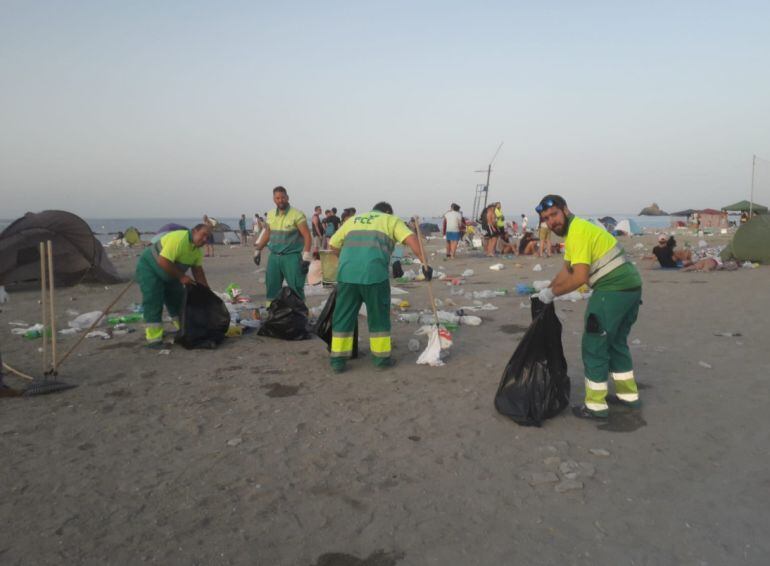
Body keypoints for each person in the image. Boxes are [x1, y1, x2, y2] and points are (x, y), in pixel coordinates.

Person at [534, 195, 642, 419]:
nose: (551, 221)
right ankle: (628, 396)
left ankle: (595, 406)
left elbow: (580, 278)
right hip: (631, 288)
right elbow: (567, 270)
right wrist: (547, 289)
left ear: (565, 209)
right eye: (546, 219)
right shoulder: (578, 229)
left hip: (612, 290)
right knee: (616, 343)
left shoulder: (578, 232)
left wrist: (552, 293)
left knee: (595, 344)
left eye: (554, 214)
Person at [328, 202, 433, 373]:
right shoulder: (390, 220)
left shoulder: (354, 220)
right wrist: (425, 264)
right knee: (378, 317)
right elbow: (412, 240)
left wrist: (349, 260)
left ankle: (338, 361)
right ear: (388, 212)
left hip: (347, 274)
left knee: (343, 316)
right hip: (374, 275)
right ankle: (381, 359)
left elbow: (332, 245)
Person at [135, 224, 211, 348]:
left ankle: (183, 329)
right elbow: (163, 261)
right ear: (194, 231)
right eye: (203, 235)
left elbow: (198, 271)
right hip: (150, 268)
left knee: (178, 300)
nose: (205, 240)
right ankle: (154, 339)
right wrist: (182, 277)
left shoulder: (197, 251)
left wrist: (206, 292)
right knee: (154, 301)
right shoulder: (179, 239)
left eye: (208, 237)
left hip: (171, 273)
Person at [253, 186, 312, 303]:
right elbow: (267, 234)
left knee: (296, 287)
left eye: (283, 197)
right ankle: (272, 312)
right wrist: (258, 250)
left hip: (291, 257)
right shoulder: (270, 215)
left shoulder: (297, 214)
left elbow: (307, 236)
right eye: (277, 198)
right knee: (271, 287)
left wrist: (306, 256)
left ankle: (300, 314)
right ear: (274, 199)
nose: (280, 200)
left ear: (287, 198)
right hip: (274, 257)